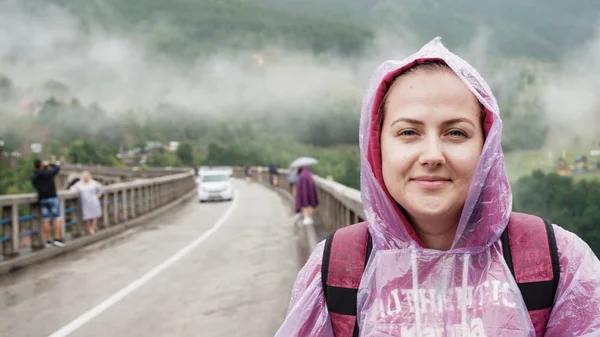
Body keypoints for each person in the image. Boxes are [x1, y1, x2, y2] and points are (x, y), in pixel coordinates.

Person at [275, 38, 600, 336]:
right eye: (408, 133)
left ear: (486, 149)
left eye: (456, 133)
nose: (432, 155)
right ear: (377, 149)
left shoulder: (557, 261)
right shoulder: (337, 269)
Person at [31, 159, 65, 248]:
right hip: (53, 198)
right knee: (57, 218)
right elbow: (57, 168)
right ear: (42, 165)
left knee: (46, 220)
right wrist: (49, 164)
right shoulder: (48, 173)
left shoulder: (34, 176)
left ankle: (48, 241)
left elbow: (34, 181)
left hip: (43, 200)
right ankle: (57, 239)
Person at [70, 171, 104, 235]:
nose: (85, 177)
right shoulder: (79, 184)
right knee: (87, 216)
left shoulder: (93, 183)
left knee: (94, 215)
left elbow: (101, 188)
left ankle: (92, 229)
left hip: (94, 201)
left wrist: (99, 195)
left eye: (86, 176)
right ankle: (88, 229)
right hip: (85, 202)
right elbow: (72, 188)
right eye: (84, 176)